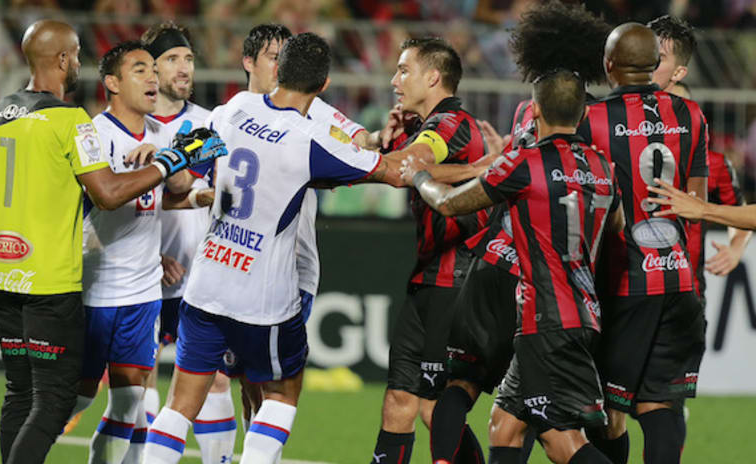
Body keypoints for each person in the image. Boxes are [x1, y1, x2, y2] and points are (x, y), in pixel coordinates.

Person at [0, 20, 221, 464]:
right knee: (56, 402)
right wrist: (171, 159)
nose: (78, 63)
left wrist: (15, 240)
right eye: (75, 55)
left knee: (26, 395)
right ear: (62, 60)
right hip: (60, 286)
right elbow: (109, 194)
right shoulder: (75, 123)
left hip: (9, 276)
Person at [143, 32, 413, 464]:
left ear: (279, 71)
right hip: (265, 295)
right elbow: (394, 173)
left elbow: (182, 173)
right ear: (323, 85)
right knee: (281, 395)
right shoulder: (308, 138)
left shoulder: (232, 110)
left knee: (178, 407)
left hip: (207, 283)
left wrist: (165, 167)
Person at [405, 67, 623, 464]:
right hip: (577, 312)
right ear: (585, 114)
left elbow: (451, 204)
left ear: (535, 110)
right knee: (504, 426)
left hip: (546, 318)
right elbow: (617, 227)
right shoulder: (604, 167)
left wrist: (419, 177)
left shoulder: (526, 162)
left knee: (562, 441)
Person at [576, 23, 709, 464]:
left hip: (622, 284)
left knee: (607, 411)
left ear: (608, 65)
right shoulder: (690, 115)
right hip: (678, 280)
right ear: (655, 66)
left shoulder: (591, 119)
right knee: (659, 406)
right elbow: (697, 203)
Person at [368, 36, 489, 464]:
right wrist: (387, 143)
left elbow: (412, 162)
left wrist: (396, 154)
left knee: (435, 405)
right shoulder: (427, 125)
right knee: (402, 399)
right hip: (428, 279)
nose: (394, 79)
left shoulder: (450, 123)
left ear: (433, 77)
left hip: (456, 284)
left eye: (404, 70)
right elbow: (407, 158)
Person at [138, 22, 238, 464]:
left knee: (213, 380)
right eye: (173, 59)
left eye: (189, 59)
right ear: (149, 68)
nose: (184, 68)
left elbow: (212, 195)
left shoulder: (210, 123)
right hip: (138, 276)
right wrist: (149, 253)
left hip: (199, 277)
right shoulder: (129, 124)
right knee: (136, 386)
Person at [647, 15, 753, 303]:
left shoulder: (713, 163)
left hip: (686, 294)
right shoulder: (625, 145)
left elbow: (742, 212)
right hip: (628, 290)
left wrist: (735, 246)